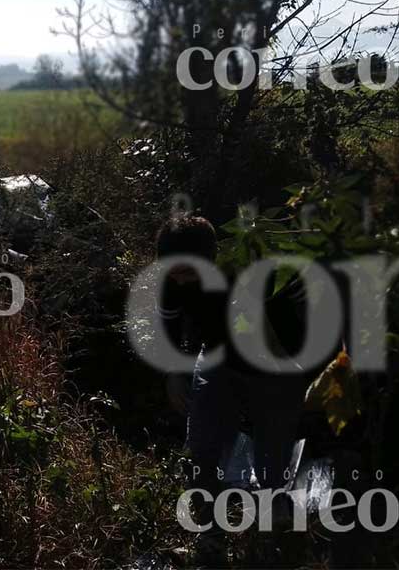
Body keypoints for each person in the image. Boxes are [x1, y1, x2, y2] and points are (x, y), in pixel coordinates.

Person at [155, 214, 309, 565]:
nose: (177, 278)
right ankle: (210, 537)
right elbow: (168, 324)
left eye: (185, 269)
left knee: (273, 461)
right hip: (217, 357)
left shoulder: (248, 273)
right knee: (201, 446)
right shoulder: (172, 279)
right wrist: (174, 373)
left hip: (275, 364)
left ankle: (275, 544)